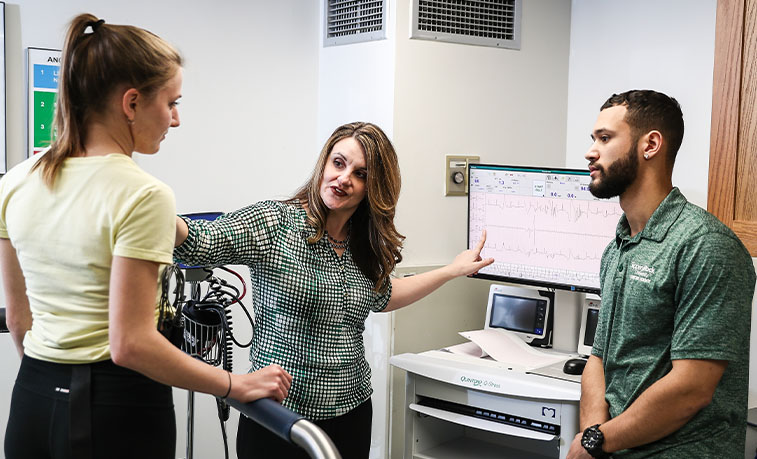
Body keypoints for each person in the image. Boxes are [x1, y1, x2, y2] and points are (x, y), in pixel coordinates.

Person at [0, 14, 291, 459]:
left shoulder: (15, 182)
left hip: (32, 401)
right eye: (171, 102)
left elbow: (20, 322)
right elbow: (131, 344)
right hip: (115, 407)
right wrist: (235, 384)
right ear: (131, 103)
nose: (175, 119)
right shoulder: (144, 194)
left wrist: (53, 385)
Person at [174, 121, 493, 458]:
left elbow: (383, 298)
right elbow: (201, 243)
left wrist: (452, 270)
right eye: (338, 163)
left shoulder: (365, 243)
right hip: (280, 416)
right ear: (324, 163)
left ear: (374, 187)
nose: (344, 179)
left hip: (351, 413)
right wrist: (146, 204)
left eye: (360, 174)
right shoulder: (275, 222)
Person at [566, 90, 755, 459]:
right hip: (614, 446)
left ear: (650, 144)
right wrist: (593, 437)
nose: (591, 152)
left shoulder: (706, 246)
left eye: (605, 139)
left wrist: (597, 443)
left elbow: (691, 389)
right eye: (593, 140)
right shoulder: (619, 245)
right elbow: (599, 358)